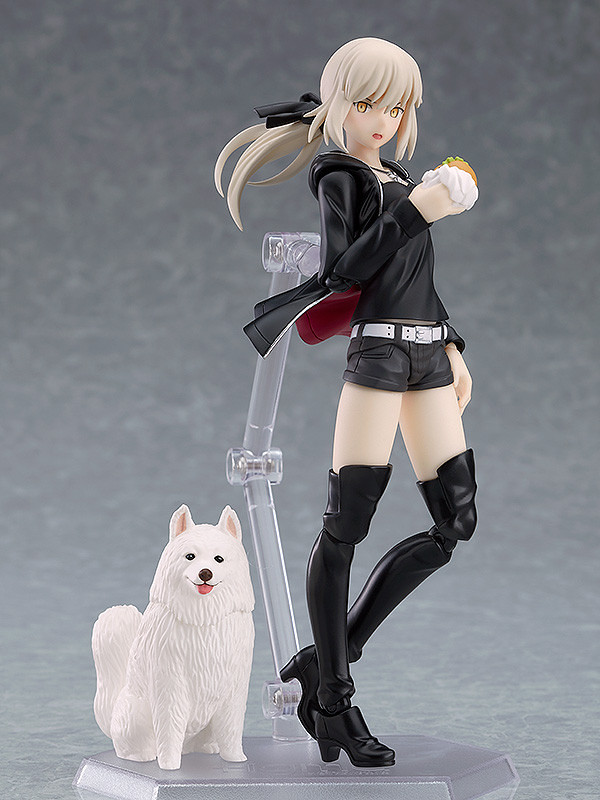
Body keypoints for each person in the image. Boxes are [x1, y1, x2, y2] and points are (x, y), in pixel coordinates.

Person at [215, 37, 478, 769]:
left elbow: (413, 276)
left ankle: (329, 658)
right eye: (370, 104)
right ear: (340, 105)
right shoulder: (339, 174)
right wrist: (418, 209)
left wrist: (452, 341)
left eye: (397, 107)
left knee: (455, 520)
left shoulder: (396, 174)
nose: (385, 119)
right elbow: (344, 270)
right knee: (345, 526)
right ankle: (333, 699)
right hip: (379, 357)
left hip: (427, 353)